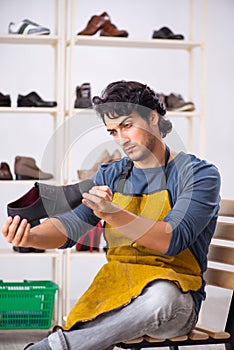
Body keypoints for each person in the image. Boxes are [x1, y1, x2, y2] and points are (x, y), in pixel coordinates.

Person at [2, 81, 221, 350]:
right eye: (113, 131)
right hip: (117, 288)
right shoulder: (111, 174)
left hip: (176, 300)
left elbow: (172, 239)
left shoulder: (198, 175)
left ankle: (55, 347)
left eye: (127, 125)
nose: (121, 139)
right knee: (100, 311)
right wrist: (31, 237)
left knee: (160, 296)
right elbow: (70, 228)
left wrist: (114, 213)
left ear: (153, 117)